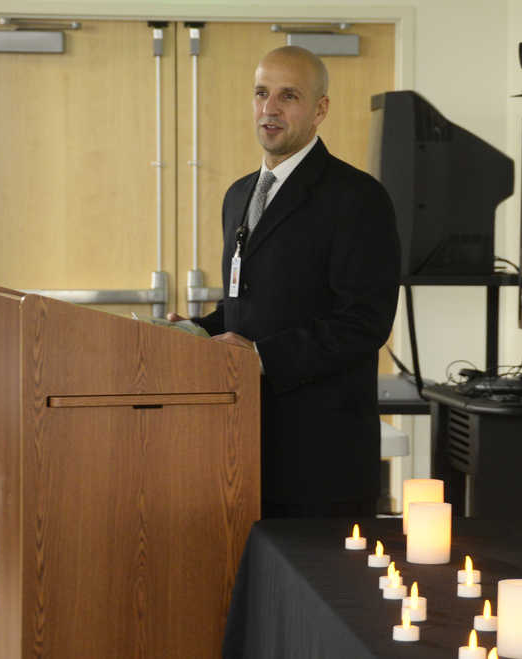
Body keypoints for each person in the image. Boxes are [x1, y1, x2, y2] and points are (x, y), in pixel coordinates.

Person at [170, 46, 400, 519]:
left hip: (319, 459)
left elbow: (364, 323)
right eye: (261, 93)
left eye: (288, 96)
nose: (269, 109)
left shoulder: (357, 198)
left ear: (320, 110)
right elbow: (243, 308)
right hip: (240, 447)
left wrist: (261, 357)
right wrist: (195, 334)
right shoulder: (238, 195)